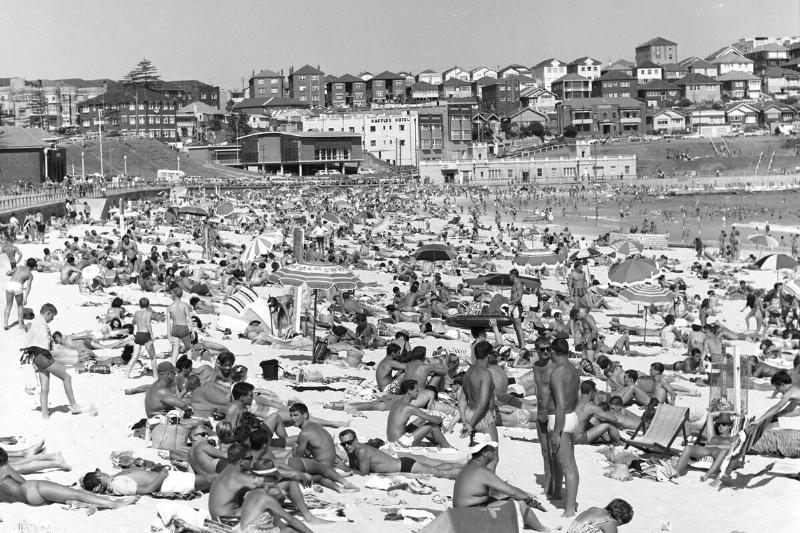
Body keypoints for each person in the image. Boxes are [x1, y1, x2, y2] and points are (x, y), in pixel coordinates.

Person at [453, 435, 553, 532]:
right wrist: (528, 498)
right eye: (491, 448)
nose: (494, 450)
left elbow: (498, 492)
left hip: (462, 512)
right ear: (484, 453)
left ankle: (531, 523)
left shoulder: (470, 466)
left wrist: (523, 494)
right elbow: (512, 491)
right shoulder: (482, 471)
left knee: (511, 497)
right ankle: (543, 529)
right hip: (470, 516)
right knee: (519, 504)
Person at [0, 448, 137, 509]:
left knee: (71, 495)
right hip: (31, 490)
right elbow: (23, 483)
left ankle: (103, 500)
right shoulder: (4, 468)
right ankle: (114, 504)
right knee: (76, 494)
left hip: (25, 501)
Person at [23, 303, 94, 419]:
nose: (52, 319)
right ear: (48, 313)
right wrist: (55, 356)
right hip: (43, 356)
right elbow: (46, 346)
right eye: (52, 316)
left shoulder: (34, 323)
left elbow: (28, 343)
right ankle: (74, 406)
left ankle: (45, 415)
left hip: (35, 358)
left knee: (45, 388)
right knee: (67, 377)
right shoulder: (43, 326)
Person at [288, 402, 359, 492]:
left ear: (305, 415)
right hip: (330, 464)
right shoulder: (316, 426)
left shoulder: (304, 433)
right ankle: (343, 484)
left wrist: (295, 448)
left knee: (297, 468)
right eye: (291, 416)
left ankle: (340, 487)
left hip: (323, 466)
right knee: (319, 475)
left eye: (295, 415)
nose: (292, 418)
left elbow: (298, 459)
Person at [339, 429, 463, 479]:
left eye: (349, 442)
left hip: (405, 466)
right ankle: (463, 469)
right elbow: (355, 468)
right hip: (401, 463)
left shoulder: (362, 451)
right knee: (436, 468)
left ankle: (464, 473)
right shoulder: (351, 451)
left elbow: (363, 473)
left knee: (440, 473)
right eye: (343, 444)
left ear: (356, 440)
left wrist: (344, 467)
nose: (346, 446)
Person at [548, 337, 580, 517]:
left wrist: (557, 432)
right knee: (565, 463)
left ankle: (569, 510)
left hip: (562, 419)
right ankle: (560, 497)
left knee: (569, 467)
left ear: (553, 352)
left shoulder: (557, 373)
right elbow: (575, 397)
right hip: (571, 415)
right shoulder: (574, 371)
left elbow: (559, 404)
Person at [386, 380, 451, 447]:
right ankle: (447, 446)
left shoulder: (397, 403)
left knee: (421, 420)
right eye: (416, 390)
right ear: (409, 391)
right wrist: (440, 418)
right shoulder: (409, 407)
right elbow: (434, 420)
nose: (418, 392)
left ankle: (437, 442)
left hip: (391, 439)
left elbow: (424, 418)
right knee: (432, 425)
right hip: (400, 442)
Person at [81, 463, 212, 495]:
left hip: (172, 477)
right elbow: (148, 490)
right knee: (215, 479)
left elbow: (82, 480)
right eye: (98, 472)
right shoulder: (118, 485)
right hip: (172, 483)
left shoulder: (114, 479)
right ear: (98, 474)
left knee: (214, 478)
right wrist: (162, 475)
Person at [460, 340, 498, 450]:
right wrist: (470, 426)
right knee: (492, 458)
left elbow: (462, 399)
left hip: (469, 415)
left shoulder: (469, 372)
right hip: (482, 417)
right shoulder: (485, 374)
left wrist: (464, 420)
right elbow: (483, 404)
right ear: (488, 355)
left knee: (476, 456)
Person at [674, 412, 735, 481]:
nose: (720, 426)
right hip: (706, 451)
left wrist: (707, 475)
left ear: (730, 426)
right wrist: (731, 413)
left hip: (716, 455)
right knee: (688, 447)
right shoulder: (712, 436)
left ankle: (707, 475)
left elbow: (720, 459)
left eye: (724, 424)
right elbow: (710, 415)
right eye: (719, 424)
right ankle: (675, 472)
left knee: (722, 452)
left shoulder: (730, 440)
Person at [124, 297, 158, 378]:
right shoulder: (149, 313)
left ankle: (126, 375)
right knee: (153, 357)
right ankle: (156, 376)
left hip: (138, 334)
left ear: (140, 305)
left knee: (135, 356)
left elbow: (133, 322)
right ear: (148, 304)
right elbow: (148, 325)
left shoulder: (136, 313)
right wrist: (152, 335)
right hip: (146, 335)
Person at [565, 499, 634, 533]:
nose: (617, 526)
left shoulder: (593, 509)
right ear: (618, 520)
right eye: (619, 524)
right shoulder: (610, 522)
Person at [5, 257, 35, 330]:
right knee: (20, 306)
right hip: (18, 286)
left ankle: (5, 324)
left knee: (8, 305)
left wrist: (8, 273)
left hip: (10, 284)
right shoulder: (30, 275)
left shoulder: (19, 267)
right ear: (33, 267)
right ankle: (20, 324)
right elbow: (28, 287)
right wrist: (25, 298)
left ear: (26, 263)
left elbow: (9, 273)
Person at [167, 286, 194, 362]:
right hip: (183, 328)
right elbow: (188, 318)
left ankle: (172, 368)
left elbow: (168, 323)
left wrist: (169, 335)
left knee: (175, 351)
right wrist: (193, 330)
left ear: (173, 295)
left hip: (175, 329)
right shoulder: (185, 305)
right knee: (188, 349)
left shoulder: (169, 307)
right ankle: (189, 367)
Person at [509, 269, 526, 348]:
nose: (509, 277)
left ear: (513, 275)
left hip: (517, 306)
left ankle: (523, 346)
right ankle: (520, 345)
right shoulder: (515, 284)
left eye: (510, 275)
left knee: (518, 326)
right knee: (515, 327)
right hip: (514, 306)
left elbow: (520, 297)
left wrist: (511, 303)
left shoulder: (518, 283)